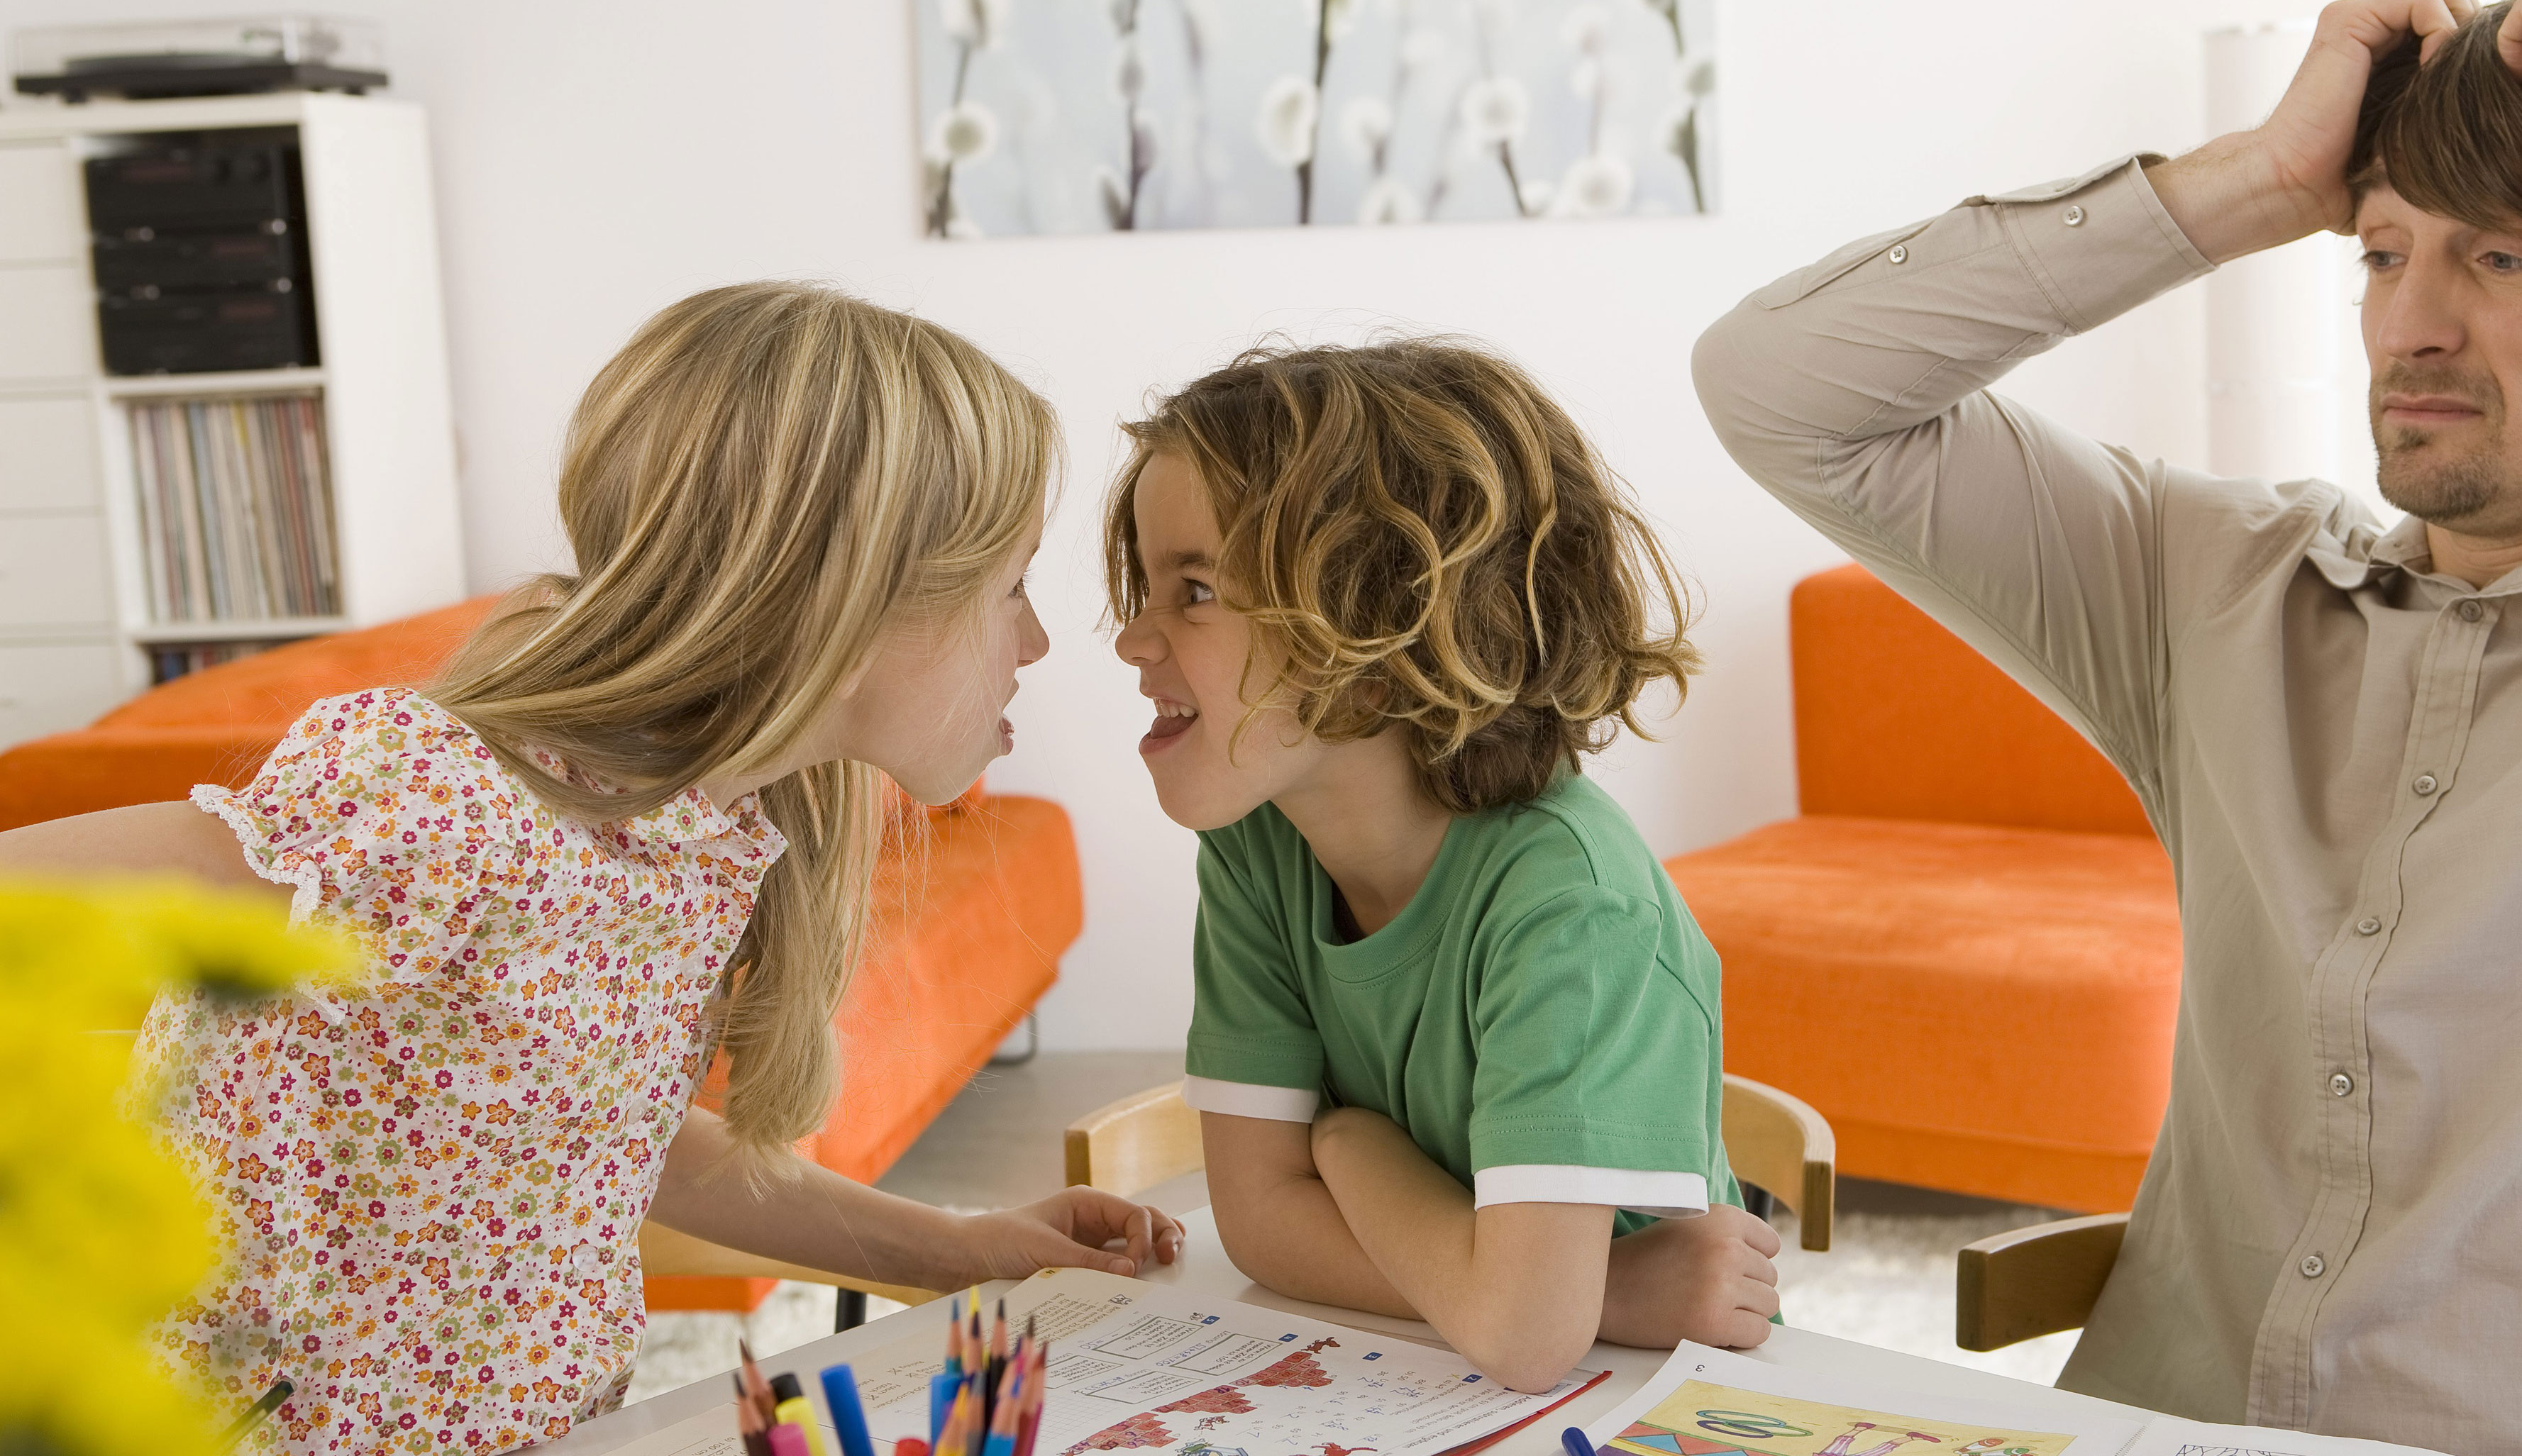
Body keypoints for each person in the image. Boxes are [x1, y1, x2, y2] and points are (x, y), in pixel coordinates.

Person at [1692, 0, 2522, 1453]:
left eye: (2505, 254)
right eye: (2383, 253)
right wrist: (2251, 181)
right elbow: (1779, 387)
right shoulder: (2220, 586)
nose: (2410, 326)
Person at [0, 283, 1186, 1454]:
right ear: (851, 598)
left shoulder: (697, 836)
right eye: (1013, 584)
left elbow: (606, 1140)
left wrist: (959, 1249)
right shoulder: (437, 803)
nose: (1034, 641)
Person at [1106, 340, 1780, 1394]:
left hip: (1649, 1398)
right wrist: (1613, 1289)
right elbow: (1259, 1225)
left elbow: (1523, 1338)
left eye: (1192, 590)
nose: (1133, 642)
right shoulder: (1256, 842)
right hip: (1499, 1356)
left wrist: (1346, 1151)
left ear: (1385, 627)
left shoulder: (1572, 905)